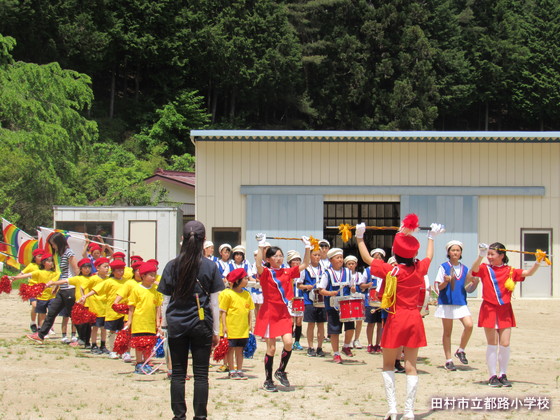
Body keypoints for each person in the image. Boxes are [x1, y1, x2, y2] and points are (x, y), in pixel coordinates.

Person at [357, 215, 444, 420]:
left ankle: (392, 409)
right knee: (411, 366)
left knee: (388, 365)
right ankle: (410, 411)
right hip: (414, 319)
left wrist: (360, 237)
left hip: (396, 319)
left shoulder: (392, 270)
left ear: (394, 252)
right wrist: (431, 237)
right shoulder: (419, 269)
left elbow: (367, 259)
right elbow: (429, 257)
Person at [157, 221, 224, 420]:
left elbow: (166, 300)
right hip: (201, 324)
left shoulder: (172, 265)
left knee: (178, 374)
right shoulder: (210, 266)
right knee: (201, 375)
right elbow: (214, 303)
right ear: (204, 240)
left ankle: (179, 416)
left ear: (183, 240)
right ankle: (200, 416)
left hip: (177, 322)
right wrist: (216, 331)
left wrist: (164, 325)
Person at [469, 242, 542, 388]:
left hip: (505, 310)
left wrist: (538, 261)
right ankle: (492, 376)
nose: (489, 257)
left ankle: (503, 374)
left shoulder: (510, 270)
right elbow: (473, 270)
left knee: (505, 343)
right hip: (489, 309)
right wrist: (480, 256)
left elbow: (528, 273)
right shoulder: (485, 268)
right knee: (492, 343)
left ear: (501, 255)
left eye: (492, 254)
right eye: (488, 254)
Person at [254, 234, 311, 392]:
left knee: (288, 343)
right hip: (269, 312)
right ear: (269, 259)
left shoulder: (287, 272)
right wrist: (261, 245)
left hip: (283, 312)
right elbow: (258, 264)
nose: (279, 258)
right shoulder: (266, 272)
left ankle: (281, 371)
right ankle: (268, 380)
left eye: (281, 255)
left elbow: (305, 264)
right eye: (275, 256)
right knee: (271, 349)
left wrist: (307, 247)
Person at [26, 232, 79, 344]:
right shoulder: (62, 254)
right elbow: (63, 273)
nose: (53, 247)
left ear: (59, 243)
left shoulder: (69, 253)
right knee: (52, 312)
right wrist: (57, 286)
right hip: (62, 289)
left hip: (70, 288)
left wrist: (79, 287)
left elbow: (76, 270)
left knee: (73, 315)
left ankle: (83, 338)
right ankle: (41, 335)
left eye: (54, 244)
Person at [434, 240, 476, 371]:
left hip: (461, 302)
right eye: (453, 250)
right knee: (447, 332)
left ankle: (461, 350)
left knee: (469, 325)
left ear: (461, 253)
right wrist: (446, 282)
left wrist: (475, 282)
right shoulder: (443, 267)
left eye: (458, 250)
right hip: (446, 302)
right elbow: (439, 287)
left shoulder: (465, 269)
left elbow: (469, 287)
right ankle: (448, 360)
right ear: (448, 252)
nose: (455, 253)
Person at [317, 248, 356, 363]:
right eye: (337, 258)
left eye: (341, 257)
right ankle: (336, 353)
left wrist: (353, 289)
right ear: (331, 260)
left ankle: (346, 346)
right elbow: (321, 290)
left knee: (350, 328)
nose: (340, 260)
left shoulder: (348, 272)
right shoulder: (327, 273)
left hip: (346, 305)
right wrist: (330, 293)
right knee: (334, 330)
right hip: (333, 306)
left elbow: (352, 286)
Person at [126, 261, 163, 374]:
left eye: (154, 275)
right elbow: (132, 306)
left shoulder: (155, 291)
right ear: (143, 276)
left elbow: (158, 307)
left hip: (150, 323)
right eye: (150, 275)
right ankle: (139, 363)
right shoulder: (136, 289)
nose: (153, 278)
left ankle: (146, 362)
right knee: (139, 344)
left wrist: (158, 322)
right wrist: (129, 321)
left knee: (148, 344)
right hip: (139, 322)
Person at [220, 268, 254, 380]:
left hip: (243, 328)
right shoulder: (227, 294)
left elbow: (249, 311)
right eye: (244, 278)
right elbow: (223, 312)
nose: (247, 280)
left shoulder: (247, 294)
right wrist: (224, 326)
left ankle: (239, 369)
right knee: (230, 349)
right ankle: (231, 370)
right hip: (231, 328)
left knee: (240, 349)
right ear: (237, 281)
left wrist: (250, 325)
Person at [297, 247, 326, 357]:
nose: (317, 257)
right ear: (310, 256)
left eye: (319, 255)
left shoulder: (324, 268)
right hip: (309, 299)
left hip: (321, 299)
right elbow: (298, 285)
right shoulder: (305, 269)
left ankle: (320, 347)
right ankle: (310, 347)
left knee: (321, 324)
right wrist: (306, 287)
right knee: (311, 324)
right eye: (315, 255)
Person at [360, 248, 385, 354]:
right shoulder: (368, 270)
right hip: (370, 301)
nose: (378, 260)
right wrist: (368, 285)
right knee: (370, 323)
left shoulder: (385, 270)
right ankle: (370, 344)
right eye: (376, 258)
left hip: (382, 301)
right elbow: (361, 285)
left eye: (380, 258)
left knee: (380, 324)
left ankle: (378, 344)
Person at [20, 248, 45, 332]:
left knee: (41, 308)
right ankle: (33, 322)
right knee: (35, 305)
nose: (41, 258)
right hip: (32, 288)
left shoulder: (45, 266)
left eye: (42, 256)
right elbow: (22, 273)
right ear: (35, 257)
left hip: (43, 289)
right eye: (39, 256)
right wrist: (14, 278)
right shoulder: (31, 265)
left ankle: (40, 326)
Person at [287, 250, 304, 351]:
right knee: (291, 320)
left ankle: (297, 341)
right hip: (290, 298)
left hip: (300, 297)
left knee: (299, 320)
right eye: (294, 260)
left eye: (298, 260)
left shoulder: (302, 272)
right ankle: (289, 340)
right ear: (290, 262)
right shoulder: (286, 272)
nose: (297, 262)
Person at [345, 255, 363, 349]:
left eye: (353, 264)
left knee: (359, 320)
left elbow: (362, 286)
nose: (351, 265)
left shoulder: (359, 275)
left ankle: (357, 339)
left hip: (357, 299)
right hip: (348, 299)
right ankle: (350, 340)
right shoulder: (344, 275)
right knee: (350, 320)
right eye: (349, 264)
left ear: (356, 264)